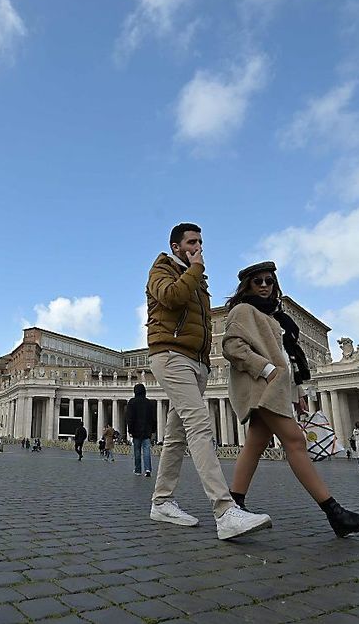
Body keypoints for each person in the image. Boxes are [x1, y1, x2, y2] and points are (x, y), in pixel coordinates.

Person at [224, 260, 359, 537]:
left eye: (268, 281)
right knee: (295, 441)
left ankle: (232, 504)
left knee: (255, 444)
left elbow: (288, 358)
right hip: (263, 386)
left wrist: (297, 392)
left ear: (275, 285)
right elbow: (233, 347)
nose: (263, 286)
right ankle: (334, 512)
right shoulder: (243, 310)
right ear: (247, 285)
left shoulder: (275, 317)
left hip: (278, 388)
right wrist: (268, 370)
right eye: (257, 281)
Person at [146, 224, 271, 540]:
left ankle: (162, 502)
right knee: (200, 426)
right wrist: (196, 269)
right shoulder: (162, 269)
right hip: (171, 355)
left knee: (176, 435)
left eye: (200, 241)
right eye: (192, 242)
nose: (198, 246)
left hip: (197, 363)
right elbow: (170, 297)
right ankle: (225, 511)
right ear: (176, 247)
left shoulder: (197, 280)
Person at [126, 383, 157, 476]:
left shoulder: (132, 402)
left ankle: (138, 470)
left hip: (136, 431)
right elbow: (153, 418)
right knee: (147, 450)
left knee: (137, 451)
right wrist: (153, 430)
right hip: (147, 431)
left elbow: (130, 418)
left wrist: (130, 430)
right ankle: (148, 470)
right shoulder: (149, 403)